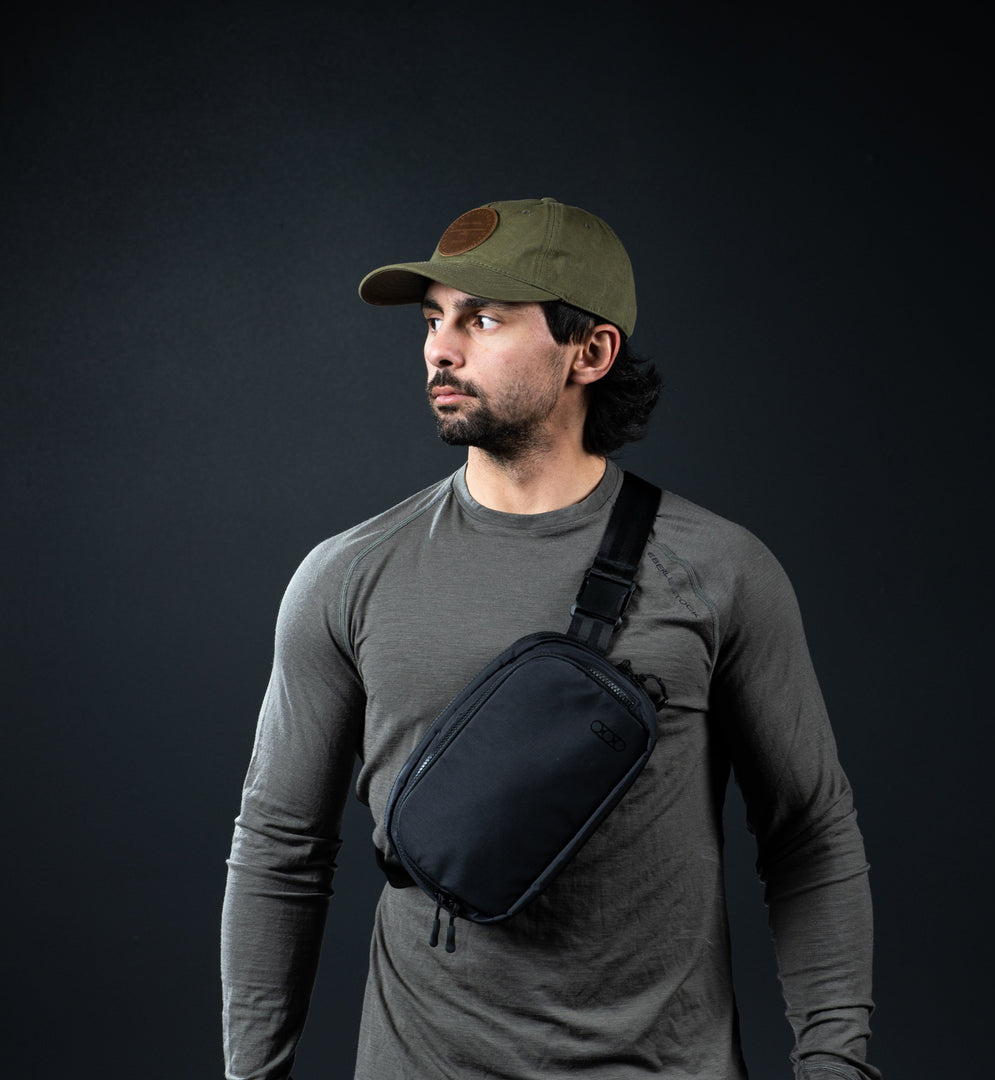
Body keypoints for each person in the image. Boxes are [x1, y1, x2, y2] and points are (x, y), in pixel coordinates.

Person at [221, 196, 881, 1080]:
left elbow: (810, 835)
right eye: (433, 318)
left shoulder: (721, 570)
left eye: (484, 318)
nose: (440, 348)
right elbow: (279, 850)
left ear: (591, 351)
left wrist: (839, 1066)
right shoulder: (346, 577)